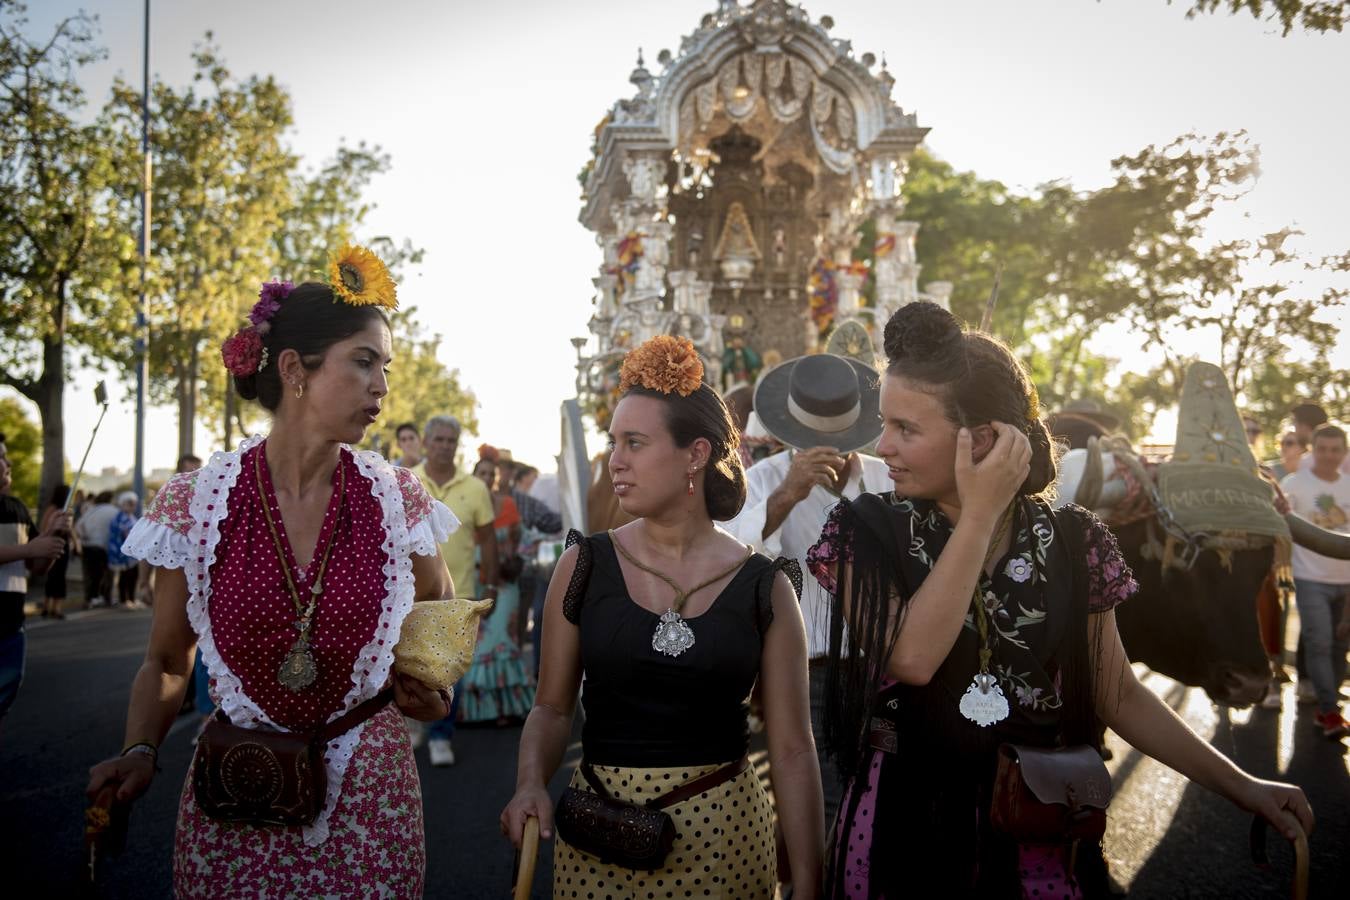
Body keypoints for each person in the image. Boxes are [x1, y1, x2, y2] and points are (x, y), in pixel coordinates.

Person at [806, 302, 1313, 898]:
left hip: (1041, 823)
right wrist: (981, 514)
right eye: (885, 424)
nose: (882, 446)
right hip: (903, 829)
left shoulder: (1075, 539)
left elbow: (1117, 692)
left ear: (986, 439)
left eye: (906, 429)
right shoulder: (863, 530)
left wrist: (1244, 786)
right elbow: (911, 659)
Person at [85, 253, 458, 896]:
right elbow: (171, 659)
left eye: (385, 367)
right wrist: (141, 749)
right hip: (237, 788)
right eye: (364, 361)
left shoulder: (398, 497)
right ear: (294, 370)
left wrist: (428, 680)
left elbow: (440, 600)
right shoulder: (194, 505)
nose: (382, 387)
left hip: (370, 794)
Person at [501, 335, 823, 900]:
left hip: (726, 841)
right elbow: (551, 708)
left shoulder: (766, 586)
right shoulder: (583, 565)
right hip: (599, 836)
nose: (615, 460)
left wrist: (809, 879)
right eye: (612, 442)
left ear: (695, 454)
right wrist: (530, 782)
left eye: (634, 442)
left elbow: (794, 748)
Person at [724, 351, 889, 827]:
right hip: (806, 671)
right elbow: (729, 558)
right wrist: (786, 497)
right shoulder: (763, 481)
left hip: (886, 668)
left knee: (882, 801)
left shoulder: (886, 477)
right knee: (821, 802)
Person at [412, 413, 498, 766]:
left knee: (451, 672)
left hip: (458, 595)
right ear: (426, 442)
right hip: (410, 596)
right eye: (439, 440)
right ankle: (417, 724)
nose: (445, 446)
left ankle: (441, 735)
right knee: (411, 667)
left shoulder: (475, 488)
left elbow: (489, 540)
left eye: (451, 440)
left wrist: (489, 585)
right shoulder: (406, 481)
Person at [1280, 424, 1350, 737]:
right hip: (1310, 578)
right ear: (1313, 451)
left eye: (1335, 450)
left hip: (1347, 583)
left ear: (1344, 453)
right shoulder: (1293, 484)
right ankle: (1329, 711)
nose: (1329, 456)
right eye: (1323, 449)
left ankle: (1329, 702)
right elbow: (1280, 527)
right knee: (1319, 643)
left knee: (1340, 647)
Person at [459, 446, 535, 723]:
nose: (487, 477)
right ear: (473, 475)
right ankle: (478, 712)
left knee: (501, 639)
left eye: (491, 473)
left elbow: (525, 541)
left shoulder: (508, 506)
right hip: (473, 586)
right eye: (481, 472)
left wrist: (518, 561)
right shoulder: (464, 506)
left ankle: (507, 709)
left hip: (505, 585)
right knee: (476, 647)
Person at [0, 434, 69, 726]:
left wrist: (52, 536)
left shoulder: (15, 507)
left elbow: (37, 565)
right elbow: (29, 550)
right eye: (1, 456)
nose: (8, 463)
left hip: (10, 625)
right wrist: (31, 547)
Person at [39, 484, 76, 619]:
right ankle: (50, 607)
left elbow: (70, 530)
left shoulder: (62, 510)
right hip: (54, 543)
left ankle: (53, 607)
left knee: (57, 576)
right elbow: (45, 527)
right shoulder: (55, 510)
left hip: (62, 545)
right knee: (54, 576)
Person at [76, 491, 117, 607]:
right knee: (107, 573)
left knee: (90, 573)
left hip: (87, 545)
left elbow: (79, 525)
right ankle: (105, 597)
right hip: (103, 546)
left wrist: (84, 536)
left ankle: (90, 598)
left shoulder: (91, 510)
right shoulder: (113, 511)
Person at [106, 491, 141, 607]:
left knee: (132, 575)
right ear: (122, 504)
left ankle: (131, 598)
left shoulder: (130, 517)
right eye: (129, 503)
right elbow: (126, 534)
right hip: (123, 553)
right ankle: (124, 599)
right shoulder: (121, 517)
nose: (132, 506)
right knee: (126, 576)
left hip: (131, 552)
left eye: (133, 504)